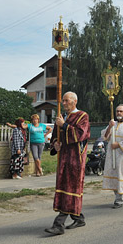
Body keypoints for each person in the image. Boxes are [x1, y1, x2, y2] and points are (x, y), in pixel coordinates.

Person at [44, 92, 90, 235]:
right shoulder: (62, 117)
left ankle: (59, 224)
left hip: (75, 160)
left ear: (74, 101)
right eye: (63, 101)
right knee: (65, 188)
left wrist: (64, 126)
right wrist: (55, 144)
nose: (64, 103)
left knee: (71, 189)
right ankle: (78, 217)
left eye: (67, 101)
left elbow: (80, 134)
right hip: (64, 159)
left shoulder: (83, 116)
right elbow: (56, 138)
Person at [102, 104, 123, 208]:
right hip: (111, 155)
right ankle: (116, 195)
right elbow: (104, 137)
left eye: (121, 111)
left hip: (122, 155)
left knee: (120, 176)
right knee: (113, 176)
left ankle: (119, 200)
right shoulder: (113, 123)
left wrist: (118, 144)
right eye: (117, 111)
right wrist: (109, 126)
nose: (119, 113)